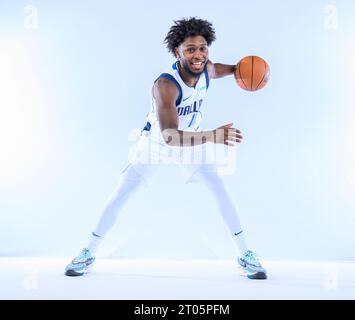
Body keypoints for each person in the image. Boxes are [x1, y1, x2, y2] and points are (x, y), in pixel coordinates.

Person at [65, 17, 267, 280]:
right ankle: (87, 253)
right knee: (121, 194)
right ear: (177, 52)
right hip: (159, 143)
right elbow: (170, 136)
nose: (198, 55)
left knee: (220, 190)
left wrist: (249, 69)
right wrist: (214, 135)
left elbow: (227, 70)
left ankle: (245, 254)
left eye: (203, 48)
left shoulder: (207, 69)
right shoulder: (166, 85)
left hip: (192, 140)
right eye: (190, 49)